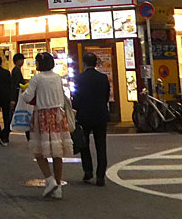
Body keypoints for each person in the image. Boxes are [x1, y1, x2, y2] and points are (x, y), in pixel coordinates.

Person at [23, 51, 73, 200]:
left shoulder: (37, 79)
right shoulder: (57, 77)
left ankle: (49, 180)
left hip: (42, 116)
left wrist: (22, 93)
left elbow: (27, 97)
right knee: (57, 153)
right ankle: (58, 187)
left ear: (39, 64)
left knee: (39, 152)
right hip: (58, 115)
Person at [72, 52, 111, 185]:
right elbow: (106, 96)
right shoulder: (103, 78)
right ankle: (100, 176)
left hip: (85, 115)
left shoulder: (79, 79)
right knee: (101, 145)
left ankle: (88, 172)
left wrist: (75, 111)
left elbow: (76, 98)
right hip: (101, 114)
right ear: (96, 63)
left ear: (84, 63)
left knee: (84, 144)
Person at [11, 52, 30, 142]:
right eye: (21, 60)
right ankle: (5, 133)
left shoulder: (16, 70)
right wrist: (13, 99)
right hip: (17, 95)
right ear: (17, 61)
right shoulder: (16, 70)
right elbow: (15, 84)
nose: (22, 62)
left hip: (17, 95)